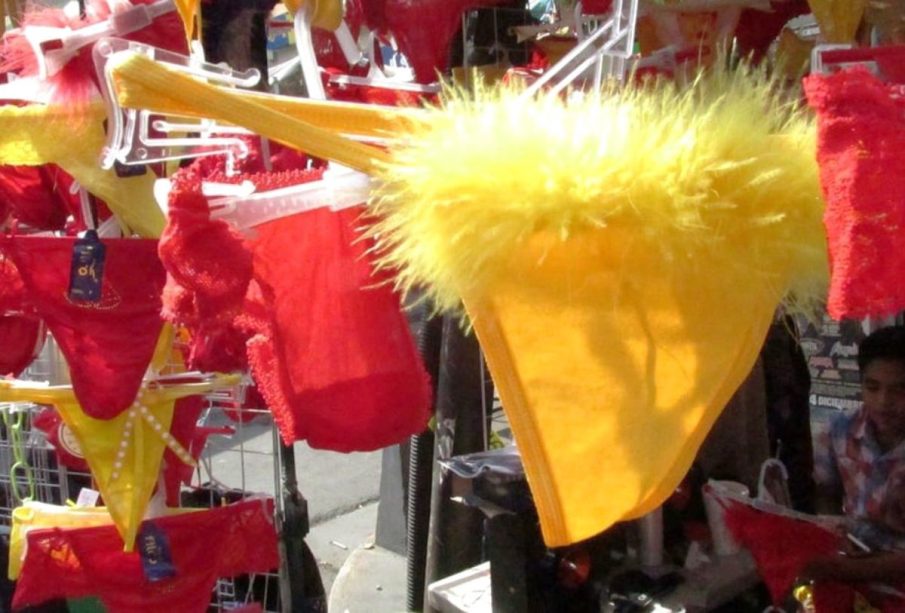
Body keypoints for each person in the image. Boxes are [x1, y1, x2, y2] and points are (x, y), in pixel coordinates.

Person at [805, 325, 905, 583]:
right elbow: (825, 491)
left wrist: (845, 570)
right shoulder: (840, 430)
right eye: (872, 388)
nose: (884, 402)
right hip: (849, 555)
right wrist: (833, 531)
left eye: (899, 390)